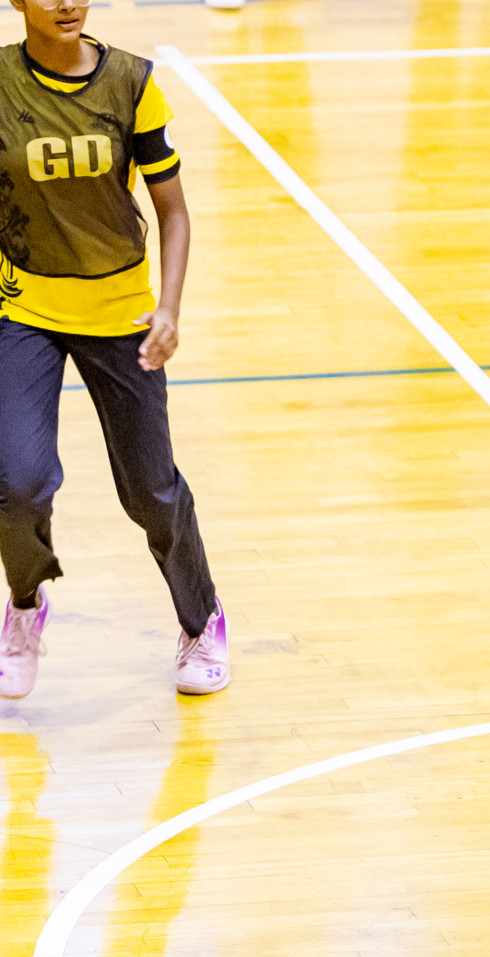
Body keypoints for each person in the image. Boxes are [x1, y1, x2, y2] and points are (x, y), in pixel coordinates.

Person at [0, 0, 230, 698]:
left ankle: (202, 619)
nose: (67, 2)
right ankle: (25, 606)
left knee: (152, 493)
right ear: (15, 3)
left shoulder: (132, 82)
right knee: (17, 482)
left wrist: (169, 306)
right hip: (24, 308)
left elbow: (174, 210)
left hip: (119, 312)